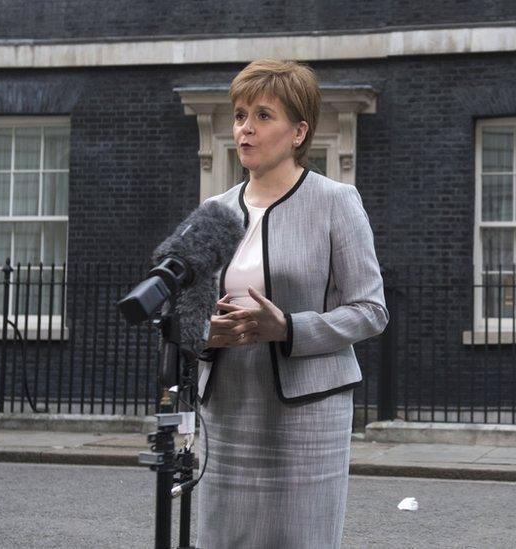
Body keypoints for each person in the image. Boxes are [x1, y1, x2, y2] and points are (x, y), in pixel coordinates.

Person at [194, 58, 388, 548]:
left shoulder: (335, 201)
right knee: (223, 539)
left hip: (307, 414)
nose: (245, 129)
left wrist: (289, 327)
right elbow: (185, 308)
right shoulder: (214, 211)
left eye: (263, 116)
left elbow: (371, 309)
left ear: (299, 131)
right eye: (240, 116)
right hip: (229, 406)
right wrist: (203, 331)